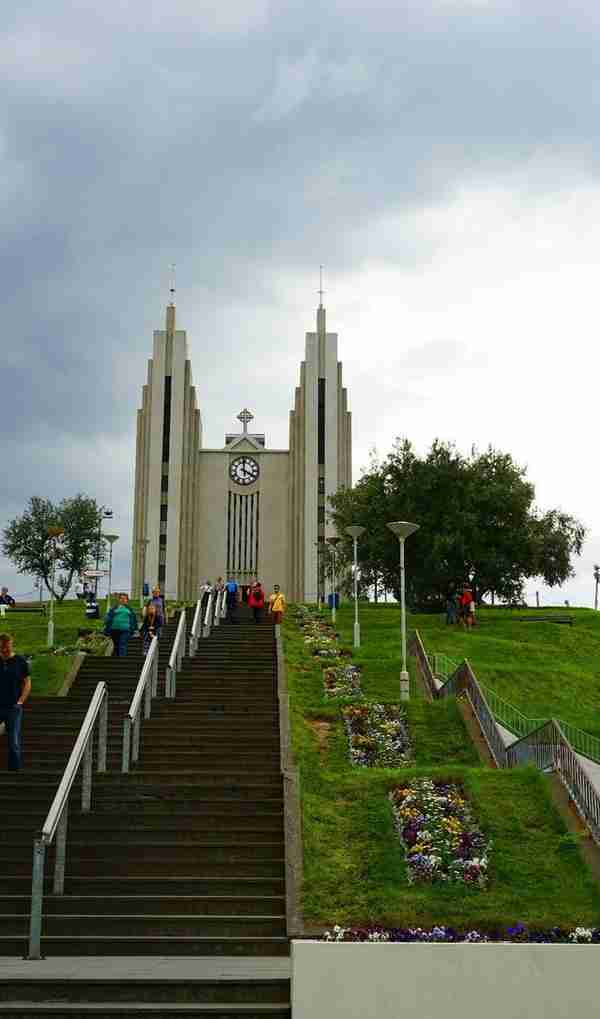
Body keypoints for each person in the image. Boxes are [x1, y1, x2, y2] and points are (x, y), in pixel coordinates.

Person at [0, 632, 31, 771]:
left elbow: (27, 682)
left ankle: (14, 770)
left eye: (6, 646)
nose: (4, 650)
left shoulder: (20, 661)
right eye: (1, 647)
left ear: (11, 645)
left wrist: (20, 702)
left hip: (13, 706)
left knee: (14, 740)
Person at [104, 593, 138, 657]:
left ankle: (122, 658)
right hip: (114, 630)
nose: (123, 600)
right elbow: (109, 618)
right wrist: (106, 628)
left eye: (124, 599)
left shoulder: (129, 609)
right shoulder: (114, 608)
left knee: (122, 643)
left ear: (127, 600)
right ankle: (117, 658)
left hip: (126, 630)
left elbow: (133, 620)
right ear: (119, 600)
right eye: (121, 598)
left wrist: (134, 629)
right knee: (116, 645)